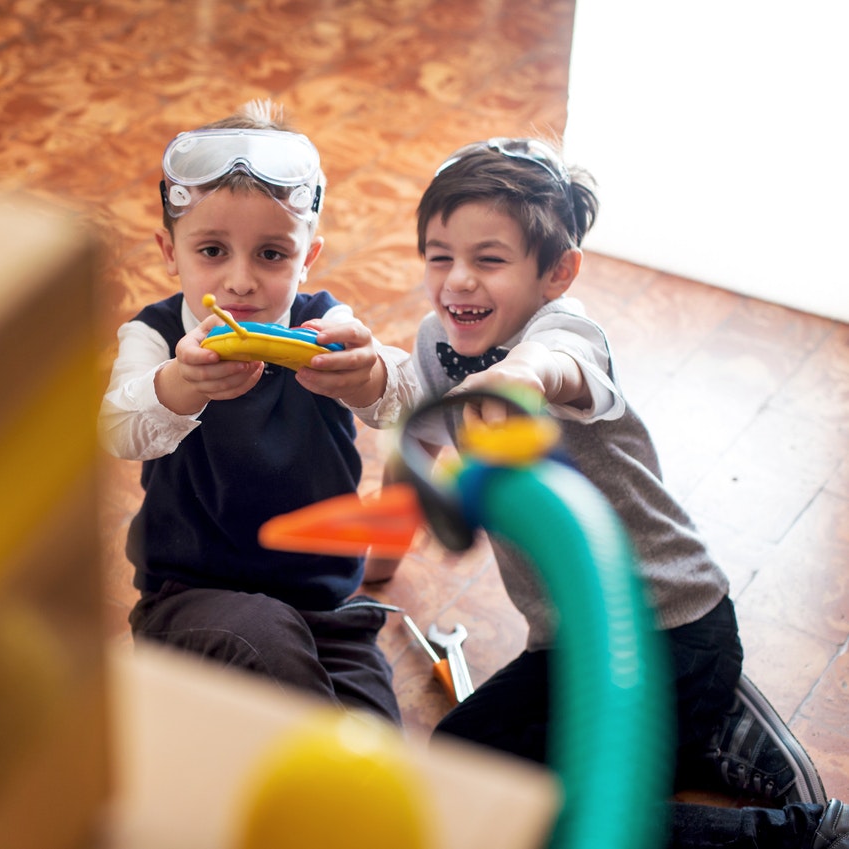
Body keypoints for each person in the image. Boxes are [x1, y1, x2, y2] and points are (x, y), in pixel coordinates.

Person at [355, 136, 842, 848]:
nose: (458, 281)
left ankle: (800, 834)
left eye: (489, 260)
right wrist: (377, 561)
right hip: (574, 643)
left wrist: (523, 373)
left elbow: (562, 360)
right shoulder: (439, 342)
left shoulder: (566, 330)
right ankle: (695, 735)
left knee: (565, 816)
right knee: (463, 767)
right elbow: (415, 433)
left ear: (558, 271)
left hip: (671, 629)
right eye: (439, 256)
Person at [97, 100, 411, 723]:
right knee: (263, 640)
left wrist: (370, 374)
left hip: (326, 613)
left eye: (272, 254)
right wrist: (181, 384)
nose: (240, 281)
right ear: (170, 251)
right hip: (189, 602)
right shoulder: (154, 335)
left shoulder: (327, 323)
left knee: (375, 743)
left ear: (308, 258)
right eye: (213, 250)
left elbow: (408, 398)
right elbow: (118, 429)